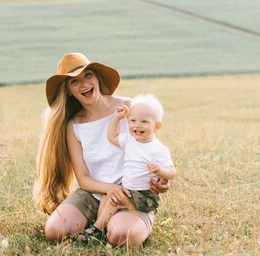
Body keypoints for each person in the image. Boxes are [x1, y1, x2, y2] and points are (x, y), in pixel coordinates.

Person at [34, 52, 170, 247]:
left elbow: (151, 149)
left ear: (97, 77)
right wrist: (109, 189)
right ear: (69, 91)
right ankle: (99, 222)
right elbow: (83, 178)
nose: (83, 83)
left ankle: (121, 222)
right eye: (74, 81)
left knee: (122, 236)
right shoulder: (73, 125)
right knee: (55, 231)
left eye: (87, 75)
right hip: (92, 193)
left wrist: (160, 179)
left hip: (131, 193)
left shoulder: (128, 108)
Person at [77, 93, 176, 241]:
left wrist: (160, 171)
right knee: (109, 198)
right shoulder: (130, 140)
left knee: (114, 201)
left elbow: (172, 171)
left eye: (144, 121)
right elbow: (112, 137)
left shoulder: (158, 149)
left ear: (157, 126)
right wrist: (116, 118)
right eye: (133, 120)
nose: (137, 125)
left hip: (144, 195)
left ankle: (97, 229)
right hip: (129, 190)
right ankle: (102, 228)